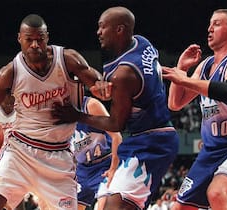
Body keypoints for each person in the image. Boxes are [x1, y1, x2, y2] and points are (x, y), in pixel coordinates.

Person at [0, 13, 103, 210]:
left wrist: (102, 86)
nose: (34, 45)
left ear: (47, 37)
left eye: (39, 39)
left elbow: (96, 82)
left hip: (58, 157)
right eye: (29, 39)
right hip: (20, 152)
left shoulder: (67, 59)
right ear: (19, 39)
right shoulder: (10, 72)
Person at [52, 6, 179, 210]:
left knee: (113, 206)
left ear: (120, 30)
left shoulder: (123, 74)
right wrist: (112, 90)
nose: (98, 32)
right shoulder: (142, 43)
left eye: (103, 27)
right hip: (147, 138)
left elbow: (116, 123)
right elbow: (135, 87)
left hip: (152, 141)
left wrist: (77, 115)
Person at [162, 9, 227, 210]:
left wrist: (184, 79)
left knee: (217, 193)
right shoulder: (205, 65)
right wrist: (182, 69)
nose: (210, 29)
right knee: (180, 207)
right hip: (212, 150)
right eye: (210, 24)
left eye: (217, 24)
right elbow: (175, 104)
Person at [71, 96, 122, 210]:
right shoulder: (55, 115)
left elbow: (117, 136)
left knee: (104, 207)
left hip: (104, 165)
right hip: (82, 169)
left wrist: (113, 168)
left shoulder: (90, 105)